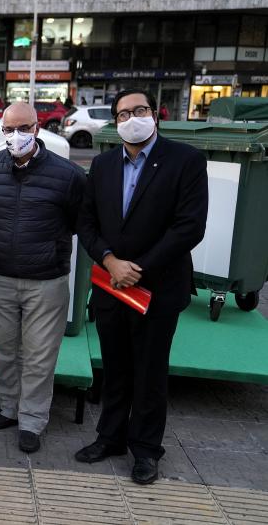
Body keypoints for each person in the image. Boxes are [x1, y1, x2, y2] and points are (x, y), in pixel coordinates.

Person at [75, 88, 208, 484]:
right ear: (114, 123)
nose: (131, 118)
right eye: (122, 114)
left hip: (158, 289)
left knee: (150, 373)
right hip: (112, 287)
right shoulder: (101, 167)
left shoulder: (185, 161)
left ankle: (146, 450)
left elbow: (189, 227)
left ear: (155, 115)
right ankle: (110, 437)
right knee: (114, 368)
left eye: (139, 110)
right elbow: (86, 224)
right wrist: (111, 261)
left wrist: (139, 268)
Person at [0, 102, 86, 453]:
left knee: (39, 355)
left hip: (46, 281)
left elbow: (83, 223)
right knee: (4, 351)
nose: (16, 135)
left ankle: (32, 421)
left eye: (24, 128)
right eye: (8, 129)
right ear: (1, 130)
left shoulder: (68, 175)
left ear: (37, 128)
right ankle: (8, 408)